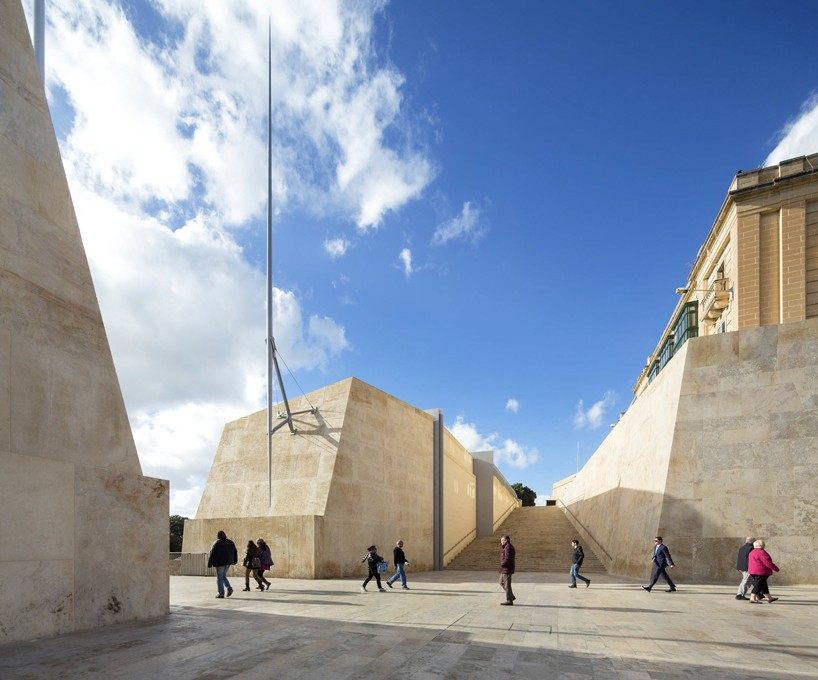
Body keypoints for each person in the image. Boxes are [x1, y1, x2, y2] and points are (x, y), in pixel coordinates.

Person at [207, 530, 238, 599]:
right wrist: (235, 560)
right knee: (223, 576)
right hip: (228, 562)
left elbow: (212, 553)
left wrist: (210, 563)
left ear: (218, 536)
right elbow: (235, 551)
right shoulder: (230, 542)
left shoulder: (217, 543)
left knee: (219, 578)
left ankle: (221, 593)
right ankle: (229, 588)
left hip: (220, 562)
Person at [748, 539, 779, 604]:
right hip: (761, 572)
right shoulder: (762, 552)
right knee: (758, 585)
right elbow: (768, 563)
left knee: (763, 585)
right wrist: (775, 568)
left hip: (753, 571)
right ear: (762, 545)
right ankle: (752, 598)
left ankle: (769, 598)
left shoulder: (752, 552)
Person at [499, 535, 516, 605]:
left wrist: (502, 563)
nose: (501, 542)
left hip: (507, 568)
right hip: (504, 568)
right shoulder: (507, 547)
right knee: (501, 582)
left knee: (507, 585)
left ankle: (509, 600)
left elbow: (508, 558)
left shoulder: (508, 547)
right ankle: (511, 596)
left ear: (506, 540)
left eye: (502, 540)